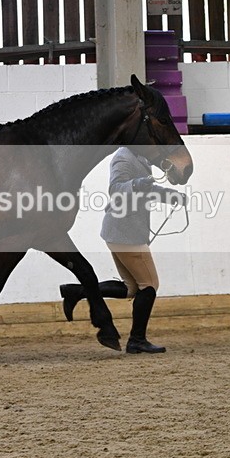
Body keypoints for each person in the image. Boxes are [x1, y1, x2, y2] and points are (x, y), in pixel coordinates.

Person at [60, 147, 186, 354]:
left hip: (122, 231)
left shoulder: (141, 157)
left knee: (131, 288)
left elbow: (147, 191)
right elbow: (116, 189)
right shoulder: (123, 158)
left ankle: (76, 291)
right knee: (150, 285)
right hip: (126, 231)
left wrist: (170, 196)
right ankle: (137, 340)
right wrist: (137, 183)